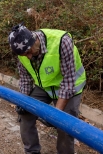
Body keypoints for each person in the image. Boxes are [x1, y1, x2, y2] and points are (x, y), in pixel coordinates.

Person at [8, 23, 86, 154]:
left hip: (70, 86)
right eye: (23, 54)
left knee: (64, 125)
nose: (28, 57)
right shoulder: (22, 51)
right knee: (25, 115)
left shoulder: (62, 41)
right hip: (45, 86)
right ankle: (32, 151)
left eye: (28, 52)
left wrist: (55, 115)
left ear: (35, 40)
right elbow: (26, 80)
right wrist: (23, 101)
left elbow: (68, 82)